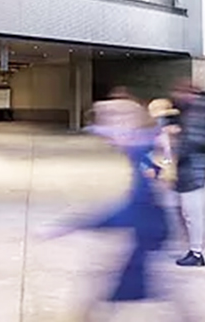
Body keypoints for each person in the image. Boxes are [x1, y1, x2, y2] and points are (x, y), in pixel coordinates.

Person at [47, 98, 174, 320]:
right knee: (117, 285)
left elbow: (138, 205)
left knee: (110, 287)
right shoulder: (141, 147)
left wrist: (78, 224)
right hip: (147, 228)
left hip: (147, 230)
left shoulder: (143, 149)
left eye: (115, 120)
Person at [169, 81, 205, 267]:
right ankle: (194, 249)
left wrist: (176, 144)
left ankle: (196, 253)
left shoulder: (196, 113)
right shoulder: (193, 111)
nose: (176, 97)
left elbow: (193, 141)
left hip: (194, 168)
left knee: (192, 212)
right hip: (191, 168)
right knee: (187, 212)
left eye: (179, 93)